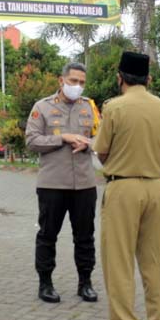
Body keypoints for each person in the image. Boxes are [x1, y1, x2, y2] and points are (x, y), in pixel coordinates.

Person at [92, 51, 160, 320]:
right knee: (156, 262)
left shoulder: (114, 108)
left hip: (123, 188)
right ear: (148, 78)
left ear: (120, 78)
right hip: (156, 188)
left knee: (119, 263)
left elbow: (101, 152)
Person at [25, 62, 100, 304]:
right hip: (53, 184)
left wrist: (89, 143)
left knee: (85, 237)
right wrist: (62, 138)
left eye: (81, 82)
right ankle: (45, 283)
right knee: (48, 235)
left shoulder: (90, 107)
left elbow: (103, 137)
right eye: (73, 81)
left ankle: (85, 283)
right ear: (61, 81)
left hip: (85, 184)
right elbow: (32, 141)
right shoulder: (42, 107)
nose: (77, 86)